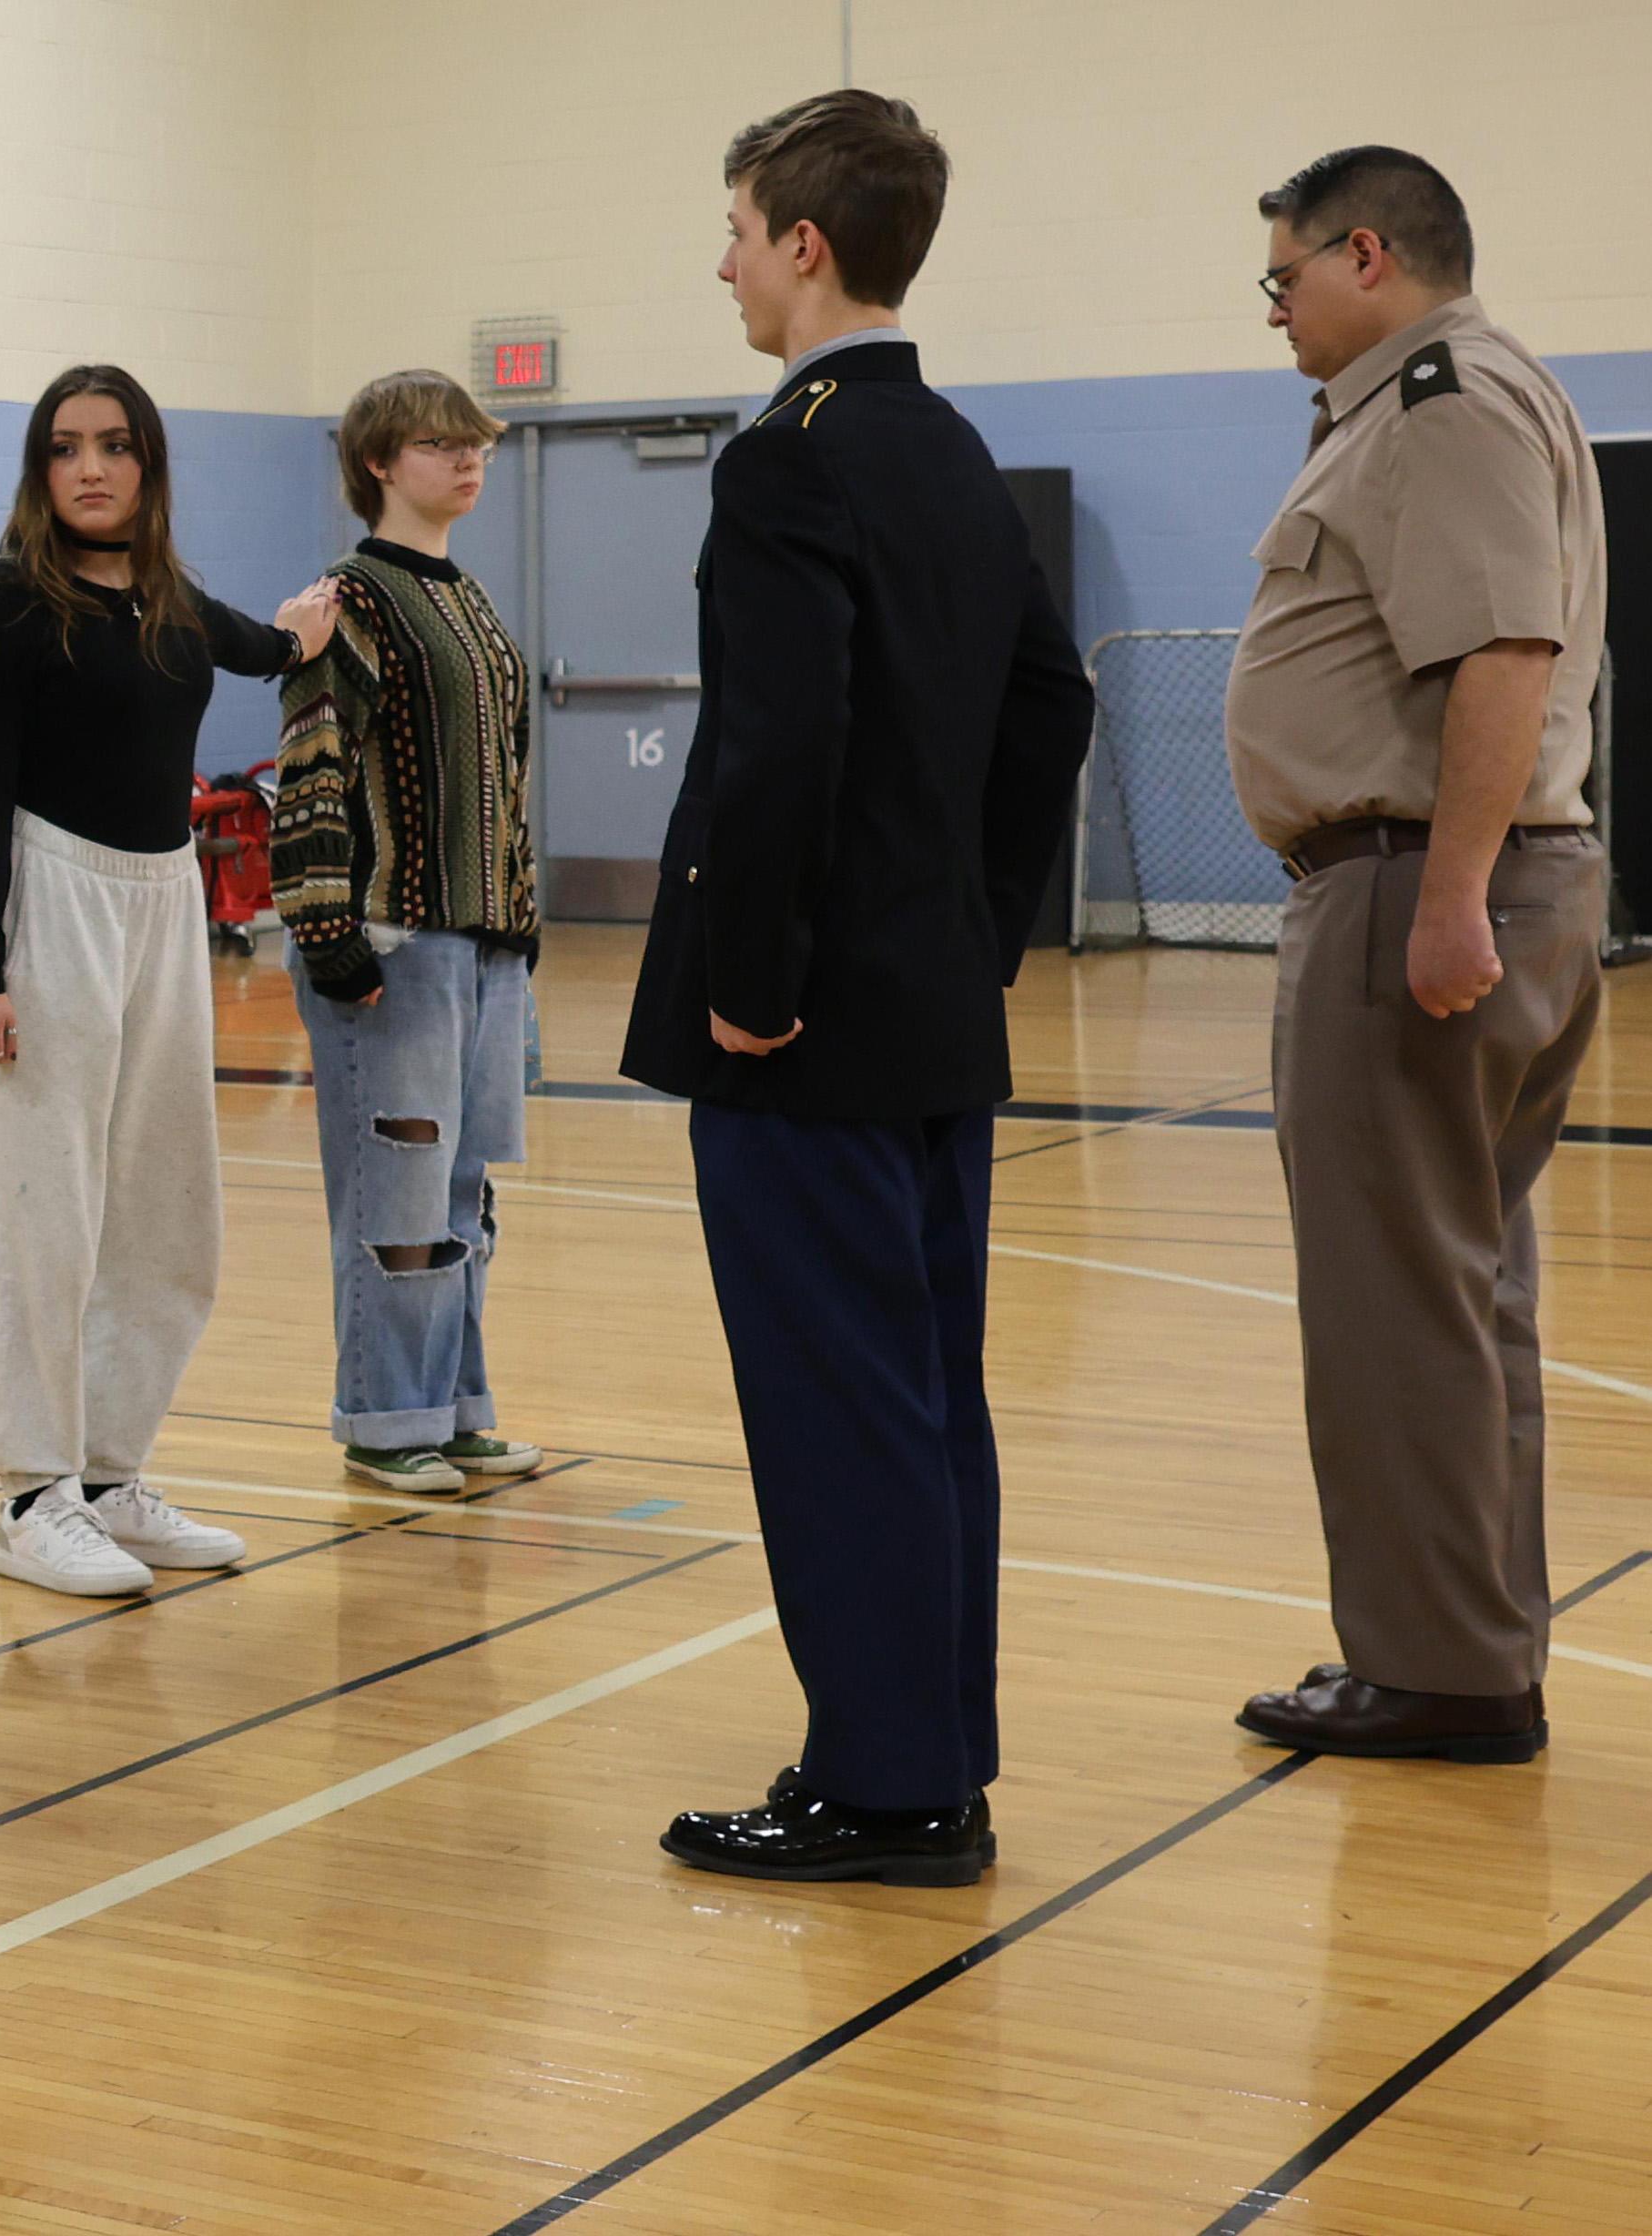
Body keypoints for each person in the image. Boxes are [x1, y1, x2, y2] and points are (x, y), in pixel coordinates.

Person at [622, 93, 1093, 1885]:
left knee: (837, 1407)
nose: (724, 265)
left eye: (738, 232)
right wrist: (971, 933)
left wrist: (753, 976)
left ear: (803, 246)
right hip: (926, 1015)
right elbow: (1048, 704)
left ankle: (886, 1788)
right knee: (922, 1396)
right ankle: (928, 1753)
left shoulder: (789, 457)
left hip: (802, 1027)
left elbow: (779, 743)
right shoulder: (950, 447)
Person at [1225, 150, 1606, 1763]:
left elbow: (1501, 653)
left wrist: (1449, 894)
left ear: (1363, 255)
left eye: (1283, 279)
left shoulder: (1442, 402)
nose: (1273, 311)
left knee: (1393, 1305)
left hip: (1416, 887)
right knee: (1454, 1293)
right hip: (1440, 879)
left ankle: (1434, 1672)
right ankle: (1466, 1649)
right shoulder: (1438, 400)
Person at [0, 364, 340, 1595]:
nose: (90, 469)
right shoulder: (6, 601)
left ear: (147, 465)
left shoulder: (170, 599)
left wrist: (303, 628)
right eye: (65, 448)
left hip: (162, 903)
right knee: (44, 1214)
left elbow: (259, 645)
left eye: (113, 446)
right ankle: (33, 1495)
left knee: (168, 1211)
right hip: (48, 898)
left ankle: (110, 1475)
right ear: (40, 470)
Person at [272, 370, 545, 1495]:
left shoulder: (468, 598)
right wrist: (325, 926)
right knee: (395, 1197)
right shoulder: (347, 598)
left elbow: (503, 781)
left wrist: (518, 923)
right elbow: (311, 762)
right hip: (390, 944)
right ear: (378, 463)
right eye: (439, 444)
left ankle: (454, 1408)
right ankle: (385, 1421)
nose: (466, 459)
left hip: (482, 945)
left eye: (474, 442)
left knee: (460, 1192)